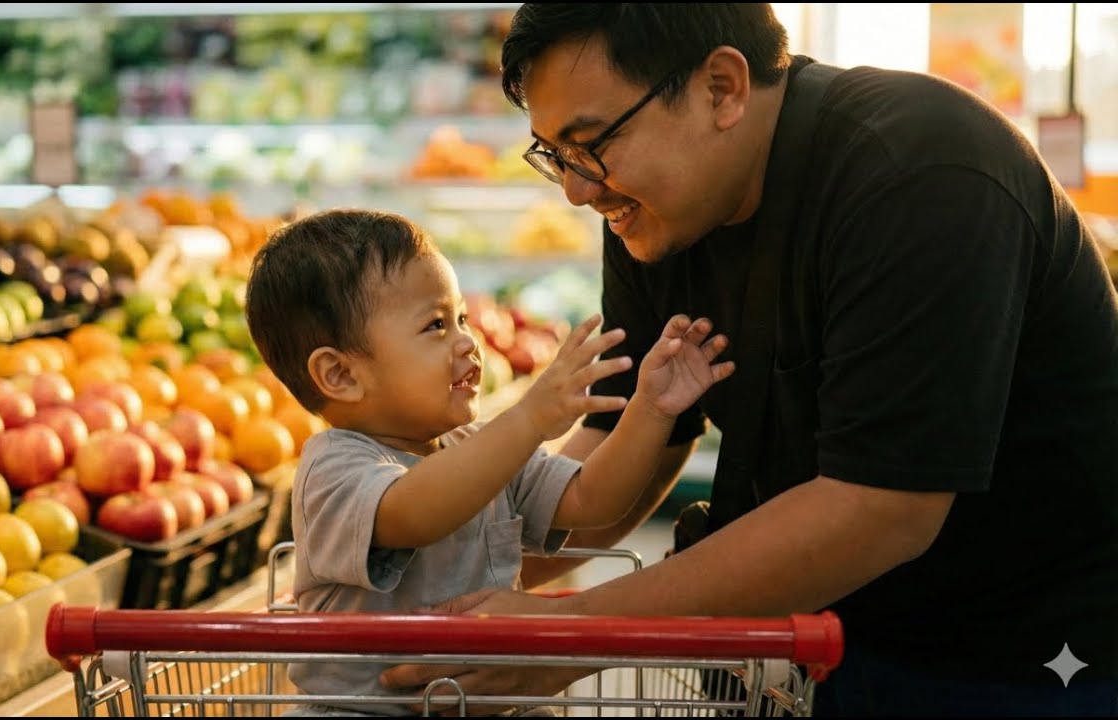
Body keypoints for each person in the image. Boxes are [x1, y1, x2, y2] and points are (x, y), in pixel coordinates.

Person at [377, 4, 1118, 717]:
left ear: (721, 87)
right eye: (556, 156)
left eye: (592, 143)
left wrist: (573, 633)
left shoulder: (922, 171)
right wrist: (444, 579)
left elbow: (881, 508)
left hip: (1038, 655)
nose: (575, 189)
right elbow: (619, 441)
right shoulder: (657, 210)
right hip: (820, 637)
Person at [243, 208, 736, 717]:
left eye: (461, 317)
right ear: (340, 374)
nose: (467, 341)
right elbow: (414, 512)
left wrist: (651, 410)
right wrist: (527, 420)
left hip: (483, 702)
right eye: (435, 325)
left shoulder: (477, 448)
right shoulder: (332, 469)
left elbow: (594, 499)